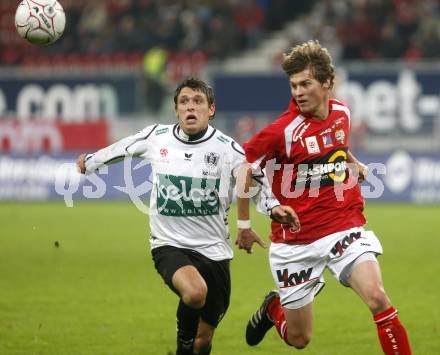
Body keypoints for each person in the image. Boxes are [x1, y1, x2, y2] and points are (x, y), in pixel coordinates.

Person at [76, 77, 297, 355]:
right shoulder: (157, 137)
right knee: (194, 293)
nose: (190, 107)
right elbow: (124, 148)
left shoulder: (227, 149)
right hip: (169, 245)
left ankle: (187, 348)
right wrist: (91, 162)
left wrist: (274, 208)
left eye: (198, 101)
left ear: (211, 109)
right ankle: (183, 341)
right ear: (176, 109)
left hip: (215, 252)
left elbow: (253, 180)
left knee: (202, 342)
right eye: (184, 102)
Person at [237, 41, 412, 354]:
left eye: (306, 84)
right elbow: (242, 169)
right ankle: (273, 309)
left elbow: (337, 146)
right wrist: (244, 223)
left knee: (377, 298)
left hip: (343, 227)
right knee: (299, 338)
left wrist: (351, 162)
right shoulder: (283, 131)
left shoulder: (342, 113)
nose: (298, 92)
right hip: (295, 243)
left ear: (327, 83)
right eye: (293, 86)